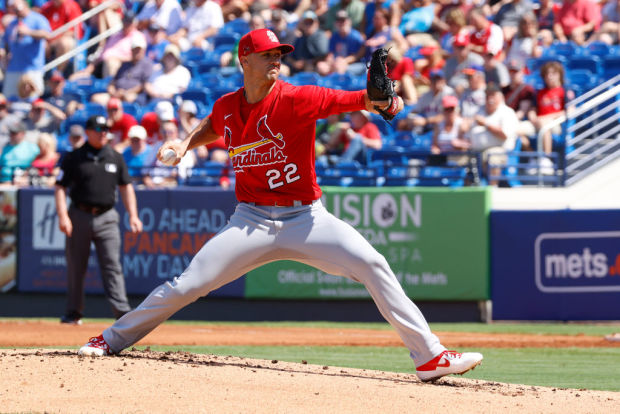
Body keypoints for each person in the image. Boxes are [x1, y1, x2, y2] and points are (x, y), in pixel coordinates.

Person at [77, 28, 483, 383]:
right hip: (249, 220)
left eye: (279, 54)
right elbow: (213, 125)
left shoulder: (297, 98)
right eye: (268, 54)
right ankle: (110, 339)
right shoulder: (226, 106)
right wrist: (185, 142)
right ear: (244, 60)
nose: (276, 60)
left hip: (306, 218)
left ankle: (429, 356)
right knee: (188, 284)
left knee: (373, 264)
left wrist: (382, 101)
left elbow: (357, 100)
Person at [54, 115, 143, 325]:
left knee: (112, 266)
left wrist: (133, 215)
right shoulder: (73, 157)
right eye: (99, 129)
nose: (103, 133)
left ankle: (123, 313)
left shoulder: (115, 157)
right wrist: (63, 216)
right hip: (79, 215)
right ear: (88, 131)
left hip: (107, 216)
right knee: (77, 266)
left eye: (106, 129)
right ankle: (73, 313)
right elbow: (60, 187)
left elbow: (126, 187)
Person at [463, 83, 520, 184]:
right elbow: (468, 132)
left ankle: (493, 191)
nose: (490, 98)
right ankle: (465, 194)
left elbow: (504, 135)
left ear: (501, 97)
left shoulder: (507, 112)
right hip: (475, 151)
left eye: (493, 95)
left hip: (501, 149)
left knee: (493, 158)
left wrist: (486, 124)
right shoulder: (479, 110)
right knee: (459, 158)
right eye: (488, 95)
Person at [1, 0, 51, 100]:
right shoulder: (12, 24)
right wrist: (5, 54)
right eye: (14, 9)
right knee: (9, 101)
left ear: (25, 5)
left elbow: (46, 34)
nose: (16, 11)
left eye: (18, 8)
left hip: (32, 69)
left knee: (32, 100)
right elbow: (5, 42)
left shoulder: (37, 19)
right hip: (13, 68)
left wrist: (29, 32)